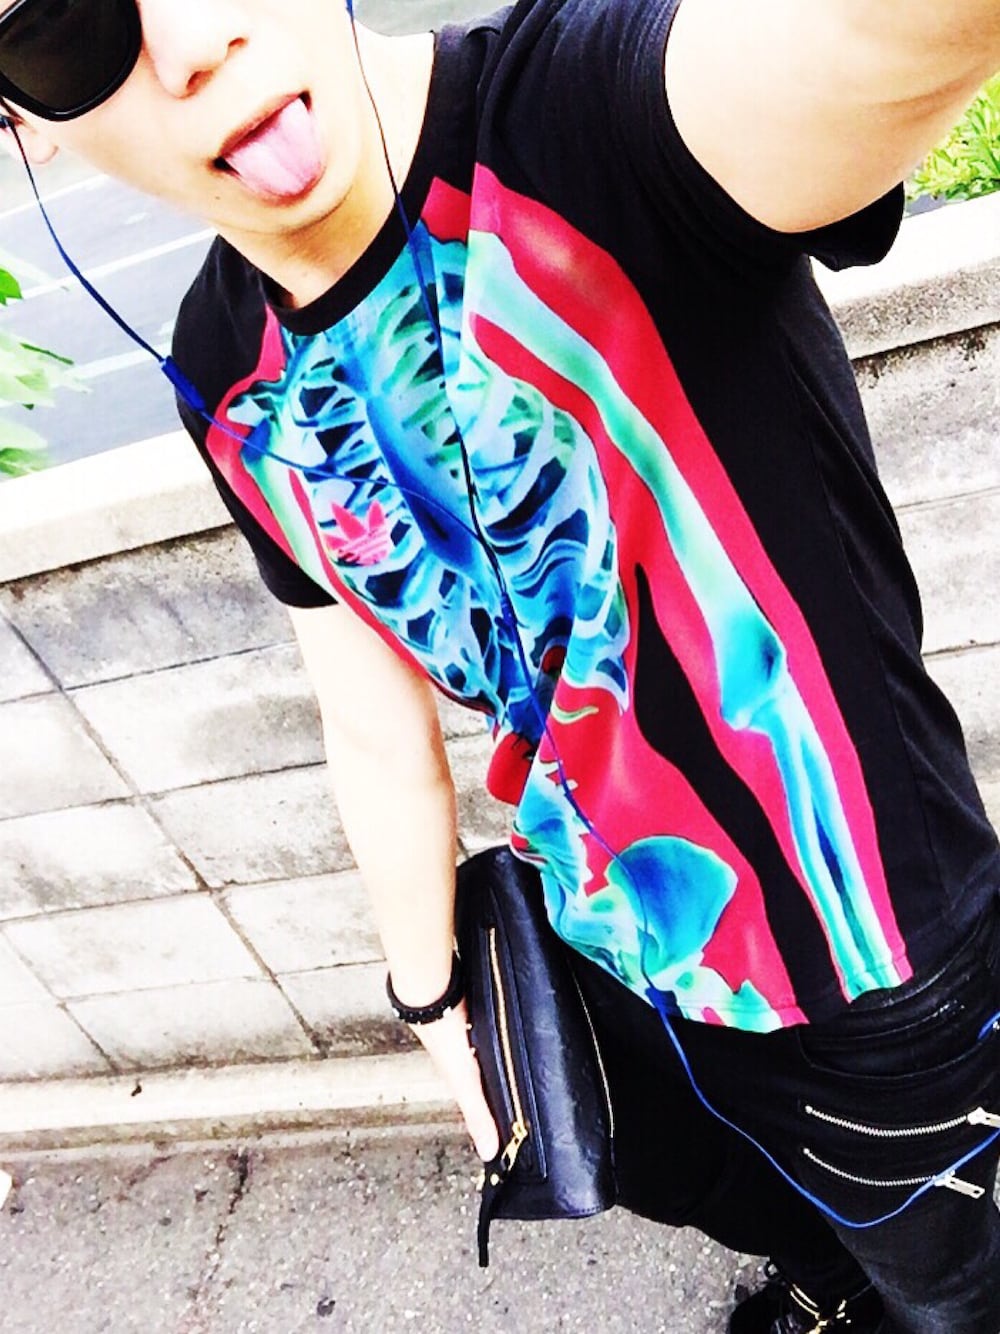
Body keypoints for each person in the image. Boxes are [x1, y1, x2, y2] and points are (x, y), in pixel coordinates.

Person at [2, 0, 999, 1329]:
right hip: (602, 949)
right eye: (66, 27)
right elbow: (369, 720)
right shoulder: (225, 365)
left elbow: (880, 38)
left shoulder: (592, 121)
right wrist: (437, 1005)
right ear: (22, 123)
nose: (194, 46)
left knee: (954, 1284)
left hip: (869, 966)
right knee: (743, 1195)